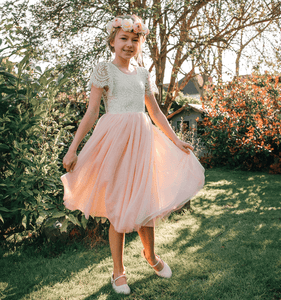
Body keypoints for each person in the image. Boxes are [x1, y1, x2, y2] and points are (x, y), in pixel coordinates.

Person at [61, 14, 205, 295]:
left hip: (141, 141)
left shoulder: (142, 73)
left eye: (134, 40)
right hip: (114, 142)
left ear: (140, 44)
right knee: (118, 205)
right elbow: (92, 111)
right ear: (112, 42)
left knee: (144, 201)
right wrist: (73, 147)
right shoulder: (104, 70)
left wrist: (175, 140)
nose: (129, 44)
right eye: (123, 39)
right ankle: (118, 272)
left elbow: (155, 111)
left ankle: (150, 256)